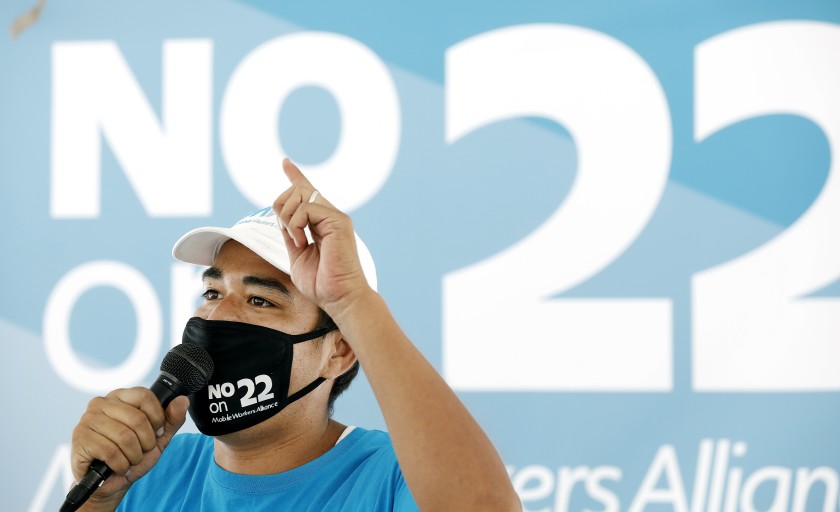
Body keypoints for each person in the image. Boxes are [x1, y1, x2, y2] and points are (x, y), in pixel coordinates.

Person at [68, 159, 521, 511]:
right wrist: (98, 501)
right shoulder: (146, 470)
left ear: (340, 350)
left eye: (260, 300)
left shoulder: (388, 477)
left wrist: (352, 301)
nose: (218, 315)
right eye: (212, 290)